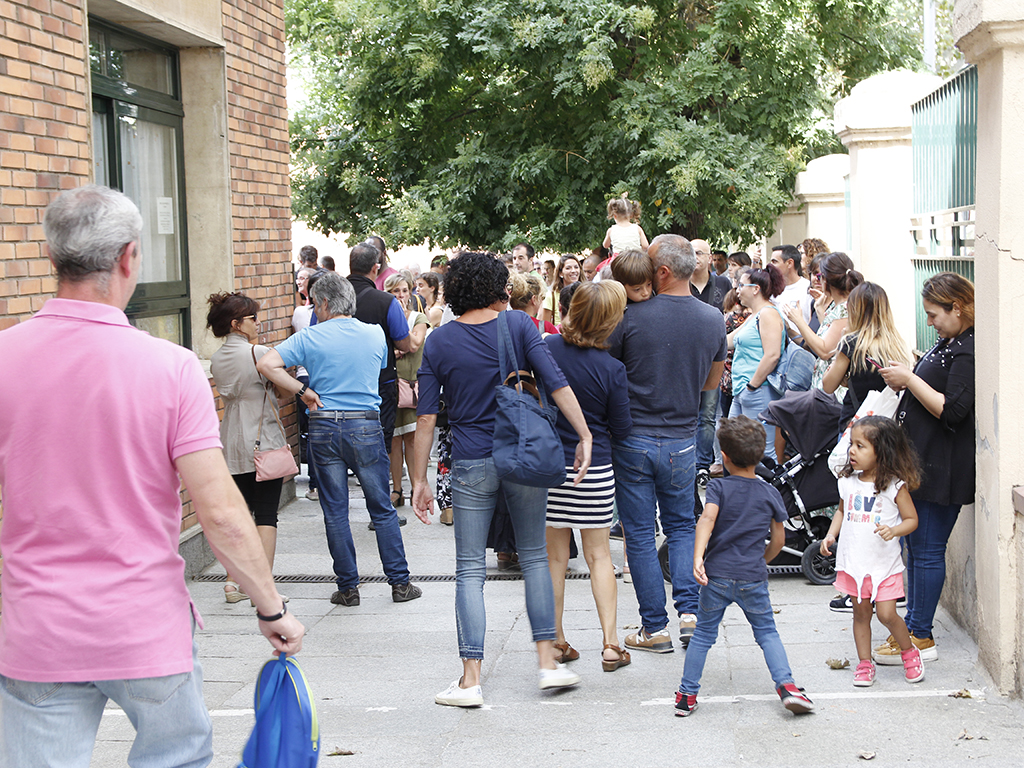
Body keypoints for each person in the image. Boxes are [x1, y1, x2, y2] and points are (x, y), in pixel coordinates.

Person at [0, 185, 304, 767]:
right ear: (129, 258)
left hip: (38, 627)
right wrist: (270, 607)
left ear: (50, 256)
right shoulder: (171, 369)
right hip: (141, 625)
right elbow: (217, 511)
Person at [410, 251, 594, 706]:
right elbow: (555, 383)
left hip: (471, 459)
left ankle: (470, 680)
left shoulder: (438, 342)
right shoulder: (517, 327)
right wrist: (584, 433)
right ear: (500, 289)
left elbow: (427, 418)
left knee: (470, 568)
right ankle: (547, 664)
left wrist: (419, 478)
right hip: (523, 454)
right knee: (534, 557)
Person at [257, 272, 422, 607]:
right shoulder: (375, 334)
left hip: (323, 426)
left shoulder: (309, 338)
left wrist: (303, 391)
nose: (314, 310)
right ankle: (400, 583)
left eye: (315, 304)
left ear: (325, 303)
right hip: (364, 424)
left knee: (335, 511)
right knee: (381, 508)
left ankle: (348, 588)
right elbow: (377, 372)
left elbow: (266, 363)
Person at [608, 235, 726, 653]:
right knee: (681, 527)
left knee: (639, 534)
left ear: (661, 272)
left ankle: (653, 628)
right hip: (682, 439)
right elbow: (712, 384)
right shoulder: (713, 318)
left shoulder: (630, 318)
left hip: (633, 439)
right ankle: (690, 614)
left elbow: (609, 374)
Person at [675, 416, 814, 717]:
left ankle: (687, 695)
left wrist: (698, 557)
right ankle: (787, 687)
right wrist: (762, 561)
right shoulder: (770, 493)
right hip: (752, 576)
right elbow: (778, 539)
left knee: (702, 636)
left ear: (723, 457)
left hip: (717, 576)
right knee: (766, 633)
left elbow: (707, 520)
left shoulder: (718, 489)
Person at [875, 272, 975, 665]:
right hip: (920, 462)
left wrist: (910, 379)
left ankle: (920, 634)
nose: (929, 322)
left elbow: (953, 410)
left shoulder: (966, 350)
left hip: (941, 466)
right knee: (913, 549)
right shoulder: (949, 341)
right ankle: (913, 629)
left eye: (934, 315)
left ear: (958, 308)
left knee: (927, 551)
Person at [543, 282, 633, 672]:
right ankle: (611, 644)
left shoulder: (545, 350)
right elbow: (622, 427)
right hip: (592, 471)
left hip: (546, 466)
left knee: (554, 558)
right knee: (599, 556)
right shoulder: (612, 368)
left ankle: (556, 640)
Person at [820, 416, 923, 687]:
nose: (852, 451)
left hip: (884, 564)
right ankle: (864, 663)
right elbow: (842, 512)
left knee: (888, 614)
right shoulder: (847, 483)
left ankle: (909, 652)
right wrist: (831, 534)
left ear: (882, 452)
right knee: (860, 613)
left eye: (860, 446)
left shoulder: (894, 486)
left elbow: (912, 520)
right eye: (851, 444)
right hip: (855, 563)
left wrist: (895, 530)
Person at [207, 292, 289, 605]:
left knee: (239, 514)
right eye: (252, 318)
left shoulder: (217, 358)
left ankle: (232, 582)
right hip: (262, 439)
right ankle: (263, 591)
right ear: (237, 323)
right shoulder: (259, 352)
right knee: (266, 515)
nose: (257, 323)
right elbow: (284, 391)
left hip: (231, 439)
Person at [348, 242, 415, 483]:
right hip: (380, 382)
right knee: (380, 442)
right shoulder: (386, 302)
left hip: (338, 385)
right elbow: (405, 344)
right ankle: (380, 506)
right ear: (376, 268)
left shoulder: (330, 299)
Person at [822, 282, 911, 440]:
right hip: (887, 428)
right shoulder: (895, 343)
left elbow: (828, 386)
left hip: (857, 425)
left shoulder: (851, 343)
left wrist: (843, 341)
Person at [727, 266, 786, 461]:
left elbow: (772, 355)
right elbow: (727, 341)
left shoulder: (768, 314)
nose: (737, 290)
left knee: (762, 452)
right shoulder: (754, 315)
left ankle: (769, 491)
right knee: (734, 446)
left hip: (758, 390)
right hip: (743, 390)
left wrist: (752, 386)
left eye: (741, 285)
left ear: (755, 288)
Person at [782, 252, 862, 392]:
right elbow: (831, 339)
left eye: (820, 276)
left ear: (827, 280)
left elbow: (825, 351)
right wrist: (820, 310)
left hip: (834, 395)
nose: (816, 280)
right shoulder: (839, 307)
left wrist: (798, 321)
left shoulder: (845, 309)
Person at [689, 238, 733, 488]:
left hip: (714, 357)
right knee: (689, 412)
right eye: (691, 252)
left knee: (707, 415)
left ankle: (701, 465)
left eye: (699, 253)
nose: (695, 257)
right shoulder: (681, 283)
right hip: (688, 359)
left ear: (709, 257)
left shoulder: (723, 283)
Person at [384, 272, 429, 509]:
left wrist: (398, 345)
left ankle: (415, 488)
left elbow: (415, 342)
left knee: (411, 439)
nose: (400, 295)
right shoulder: (385, 317)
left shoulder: (419, 317)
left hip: (412, 385)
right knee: (393, 441)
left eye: (404, 290)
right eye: (395, 291)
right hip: (392, 384)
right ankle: (396, 489)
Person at [769, 244, 812, 327]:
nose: (770, 266)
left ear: (789, 263)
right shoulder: (770, 289)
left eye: (775, 262)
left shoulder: (808, 289)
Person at [541, 254, 582, 326]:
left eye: (576, 267)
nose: (573, 271)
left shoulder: (586, 293)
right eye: (568, 268)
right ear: (560, 273)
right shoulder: (551, 296)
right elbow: (545, 326)